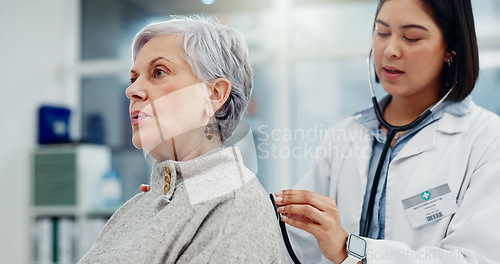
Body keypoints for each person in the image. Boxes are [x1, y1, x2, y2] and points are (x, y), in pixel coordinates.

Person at [274, 0, 500, 263]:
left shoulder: (488, 140)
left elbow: (473, 258)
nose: (390, 49)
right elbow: (293, 244)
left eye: (411, 37)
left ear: (450, 49)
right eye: (382, 33)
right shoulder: (345, 135)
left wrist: (351, 250)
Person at [78, 17, 287, 263]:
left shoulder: (232, 206)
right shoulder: (135, 208)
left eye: (158, 72)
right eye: (133, 79)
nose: (131, 90)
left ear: (214, 94)